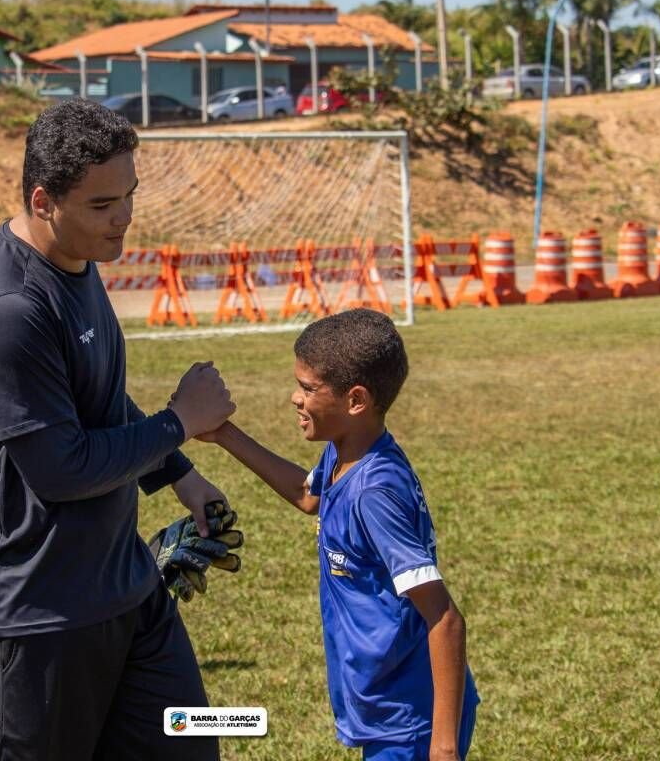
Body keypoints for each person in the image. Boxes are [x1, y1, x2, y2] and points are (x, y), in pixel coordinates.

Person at [0, 99, 234, 761]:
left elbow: (91, 400)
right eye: (103, 206)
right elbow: (62, 467)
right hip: (32, 609)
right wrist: (179, 423)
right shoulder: (9, 309)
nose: (124, 218)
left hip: (123, 586)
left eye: (128, 196)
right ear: (44, 201)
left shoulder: (77, 259)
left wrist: (178, 474)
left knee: (190, 747)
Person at [201, 309, 480, 761]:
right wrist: (224, 435)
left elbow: (444, 617)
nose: (295, 397)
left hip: (411, 718)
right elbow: (307, 494)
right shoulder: (347, 452)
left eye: (309, 388)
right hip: (386, 704)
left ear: (355, 400)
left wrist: (442, 749)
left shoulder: (375, 491)